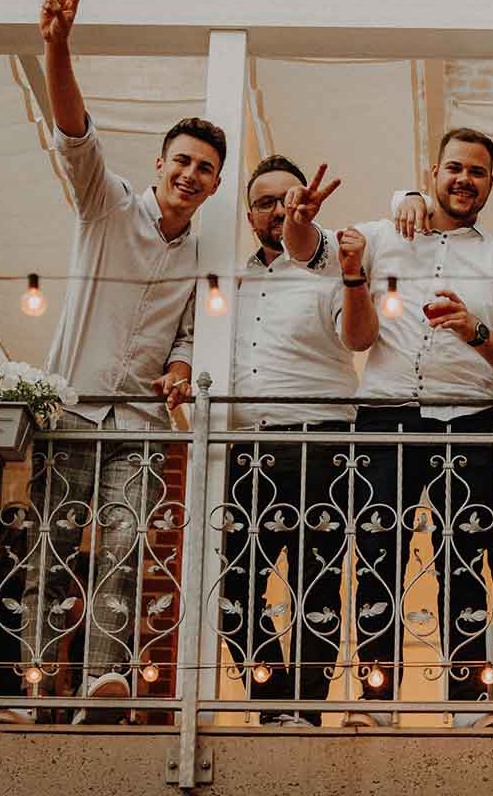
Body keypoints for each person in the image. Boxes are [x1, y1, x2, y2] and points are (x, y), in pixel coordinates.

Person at [33, 0, 225, 723]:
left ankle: (101, 688)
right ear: (159, 164)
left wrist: (180, 369)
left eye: (205, 169)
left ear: (213, 186)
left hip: (141, 431)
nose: (191, 173)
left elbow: (185, 334)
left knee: (123, 555)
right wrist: (58, 48)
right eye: (182, 160)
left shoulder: (200, 255)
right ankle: (33, 689)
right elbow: (75, 131)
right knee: (49, 559)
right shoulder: (103, 205)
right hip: (71, 410)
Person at [337, 127, 493, 728]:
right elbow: (313, 251)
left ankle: (468, 703)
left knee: (467, 563)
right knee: (376, 558)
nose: (464, 180)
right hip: (385, 415)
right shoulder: (379, 237)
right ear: (431, 173)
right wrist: (396, 199)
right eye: (454, 168)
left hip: (470, 421)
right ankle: (378, 703)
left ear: (489, 184)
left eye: (477, 172)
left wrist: (477, 333)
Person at [202, 155, 357, 727]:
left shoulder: (333, 268)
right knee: (234, 584)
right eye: (265, 202)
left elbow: (359, 333)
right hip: (244, 446)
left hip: (324, 441)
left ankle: (308, 711)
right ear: (249, 214)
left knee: (316, 580)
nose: (277, 210)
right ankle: (271, 706)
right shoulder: (227, 278)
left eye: (287, 199)